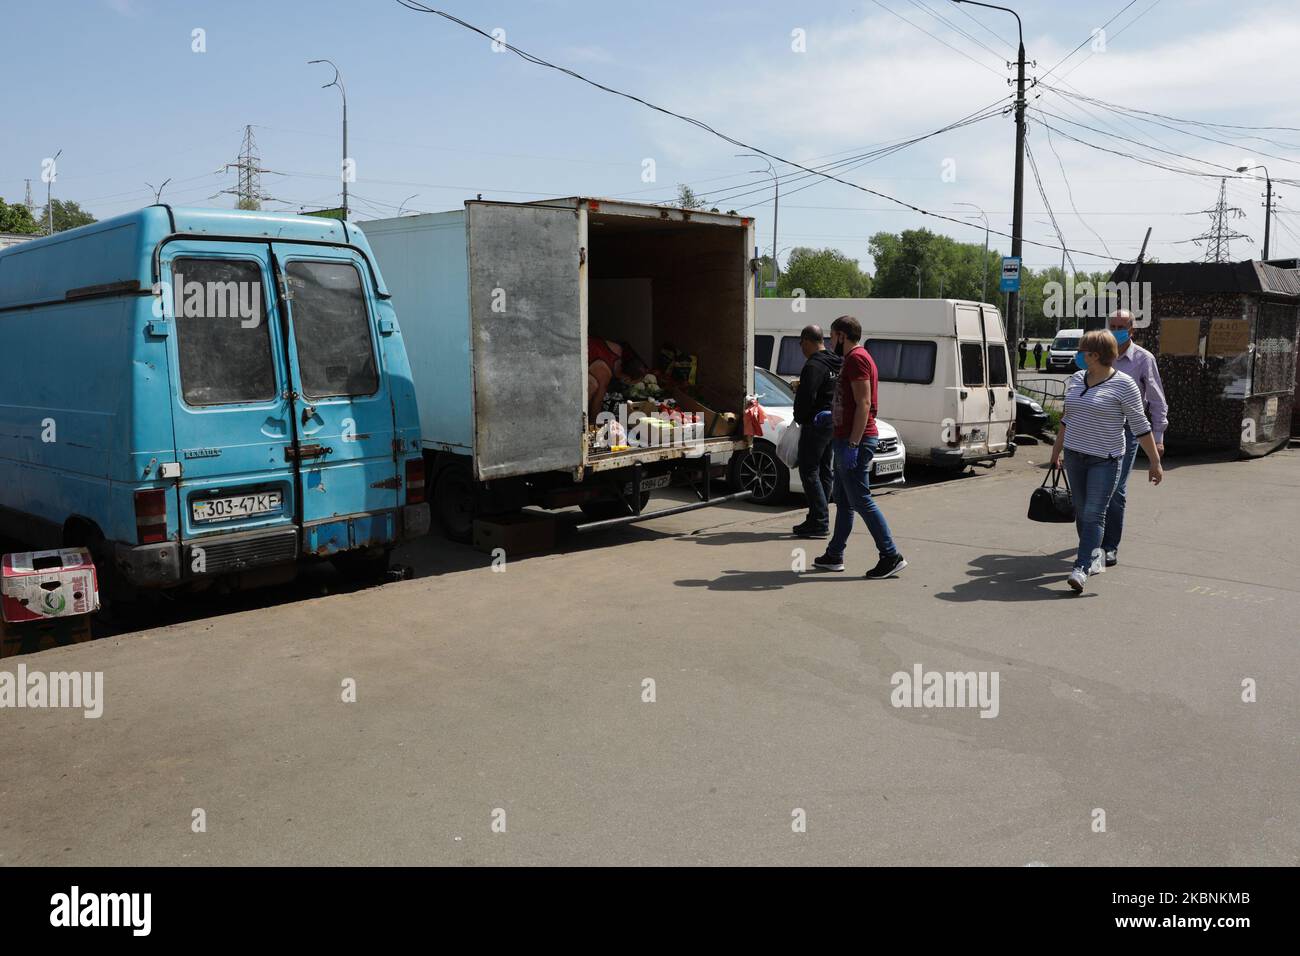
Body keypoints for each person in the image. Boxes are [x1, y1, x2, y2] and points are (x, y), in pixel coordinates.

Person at [1050, 329, 1163, 593]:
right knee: (1081, 509)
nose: (1078, 354)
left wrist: (1155, 462)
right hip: (1076, 456)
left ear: (1096, 355)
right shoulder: (1077, 378)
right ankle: (1091, 553)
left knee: (1093, 512)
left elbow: (1140, 426)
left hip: (1106, 459)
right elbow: (1068, 417)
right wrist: (1057, 450)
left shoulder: (1124, 384)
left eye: (1082, 351)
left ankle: (1081, 567)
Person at [812, 315, 907, 579]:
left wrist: (853, 443)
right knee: (844, 501)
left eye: (832, 336)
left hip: (857, 440)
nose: (830, 342)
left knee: (861, 500)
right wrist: (833, 417)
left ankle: (890, 555)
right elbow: (852, 403)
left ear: (842, 335)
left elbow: (864, 403)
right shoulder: (853, 359)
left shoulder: (856, 359)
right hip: (847, 437)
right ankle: (834, 555)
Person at [1101, 309, 1169, 568]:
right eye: (1113, 324)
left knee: (1116, 487)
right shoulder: (1100, 355)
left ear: (1132, 329)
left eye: (1122, 325)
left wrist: (1158, 437)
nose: (1117, 329)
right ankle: (1095, 535)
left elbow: (1156, 399)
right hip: (1101, 428)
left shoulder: (1143, 359)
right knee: (1095, 486)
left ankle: (1109, 547)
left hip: (1130, 429)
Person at [791, 325, 841, 538]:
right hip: (832, 421)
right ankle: (817, 518)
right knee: (824, 470)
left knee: (808, 471)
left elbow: (807, 397)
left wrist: (799, 418)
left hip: (816, 423)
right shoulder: (836, 361)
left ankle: (819, 521)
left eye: (801, 343)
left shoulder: (813, 365)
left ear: (807, 340)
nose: (801, 347)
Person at [587, 337, 645, 421]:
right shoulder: (604, 373)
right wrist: (596, 427)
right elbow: (597, 404)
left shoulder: (618, 350)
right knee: (592, 385)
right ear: (626, 378)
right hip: (570, 354)